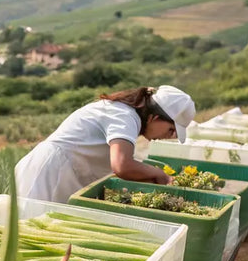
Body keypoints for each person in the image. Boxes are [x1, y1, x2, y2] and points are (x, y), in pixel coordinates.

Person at [15, 85, 195, 204]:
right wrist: (158, 174)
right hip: (48, 174)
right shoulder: (124, 116)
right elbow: (122, 165)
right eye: (171, 130)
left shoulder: (125, 115)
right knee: (27, 234)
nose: (168, 136)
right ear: (155, 117)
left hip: (61, 173)